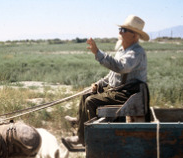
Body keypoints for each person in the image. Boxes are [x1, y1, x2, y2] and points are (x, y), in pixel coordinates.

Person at [64, 15, 149, 146]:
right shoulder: (122, 51)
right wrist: (98, 84)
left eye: (124, 30)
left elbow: (120, 67)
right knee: (86, 94)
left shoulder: (136, 52)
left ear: (135, 36)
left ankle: (83, 139)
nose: (120, 32)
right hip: (118, 90)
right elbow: (112, 75)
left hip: (128, 93)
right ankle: (81, 121)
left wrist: (98, 53)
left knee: (91, 101)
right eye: (121, 29)